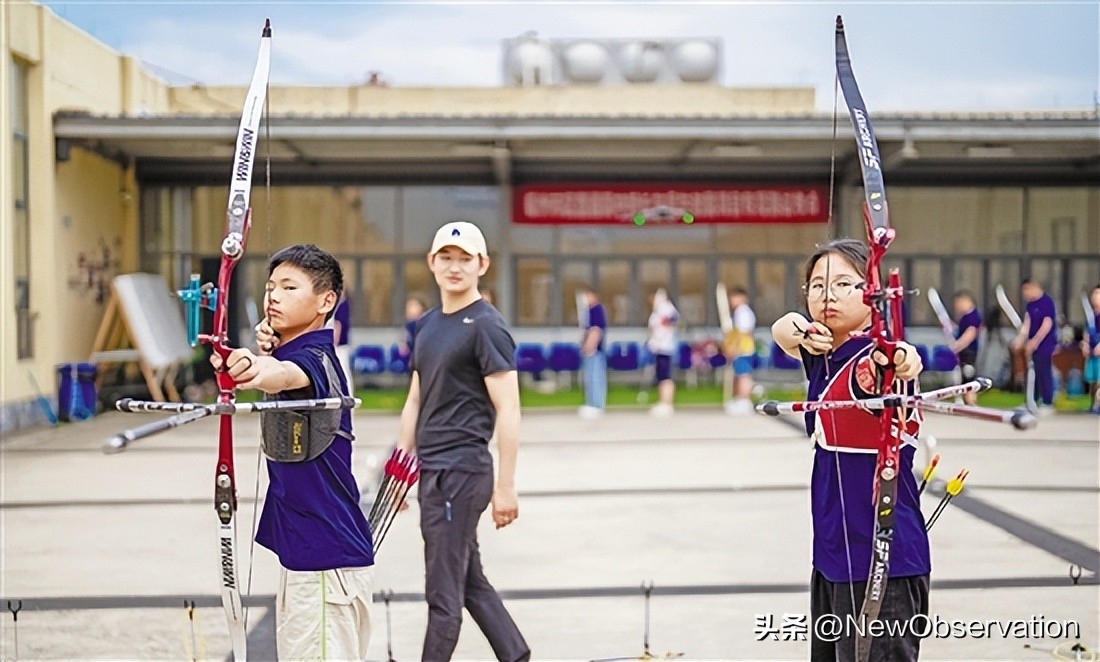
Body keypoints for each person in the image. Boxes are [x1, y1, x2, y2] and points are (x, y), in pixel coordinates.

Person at [771, 239, 926, 662]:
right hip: (834, 555)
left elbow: (891, 361)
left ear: (873, 293)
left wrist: (900, 358)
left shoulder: (868, 359)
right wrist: (794, 325)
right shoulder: (825, 352)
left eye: (843, 283)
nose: (828, 295)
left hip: (881, 564)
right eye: (817, 286)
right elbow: (783, 331)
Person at [217, 244, 375, 660]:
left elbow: (284, 376)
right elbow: (279, 364)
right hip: (310, 557)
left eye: (289, 287)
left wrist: (253, 367)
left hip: (324, 562)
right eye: (271, 287)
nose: (274, 296)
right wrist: (266, 351)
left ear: (326, 301)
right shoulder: (292, 349)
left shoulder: (315, 361)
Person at [394, 221, 529, 662]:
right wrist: (400, 468)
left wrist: (505, 486)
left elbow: (509, 407)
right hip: (433, 470)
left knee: (442, 597)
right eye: (446, 257)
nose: (455, 266)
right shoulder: (428, 325)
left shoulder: (486, 325)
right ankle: (516, 654)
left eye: (465, 258)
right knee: (469, 582)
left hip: (462, 470)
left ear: (482, 265)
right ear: (432, 263)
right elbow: (416, 397)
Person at [1011, 278, 1057, 413]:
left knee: (1044, 372)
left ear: (1033, 287)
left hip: (1044, 345)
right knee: (1032, 373)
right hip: (1031, 346)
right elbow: (1027, 323)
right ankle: (1032, 400)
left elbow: (1047, 324)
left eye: (1026, 290)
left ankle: (1048, 402)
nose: (1025, 294)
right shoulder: (1030, 305)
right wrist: (1019, 340)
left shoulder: (1046, 302)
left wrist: (1035, 341)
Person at [723, 286, 757, 416]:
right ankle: (739, 398)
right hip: (739, 349)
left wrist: (734, 347)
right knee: (738, 374)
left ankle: (745, 400)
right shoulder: (737, 313)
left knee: (744, 374)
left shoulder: (743, 312)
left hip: (743, 349)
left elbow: (743, 332)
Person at [646, 288, 679, 417]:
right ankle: (662, 401)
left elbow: (672, 319)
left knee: (665, 376)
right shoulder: (658, 310)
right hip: (658, 347)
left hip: (665, 347)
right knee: (660, 376)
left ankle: (667, 403)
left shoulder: (666, 307)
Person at [578, 285, 608, 418]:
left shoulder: (596, 309)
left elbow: (596, 330)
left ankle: (596, 404)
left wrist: (589, 346)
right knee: (590, 377)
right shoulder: (588, 310)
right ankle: (591, 402)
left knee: (595, 377)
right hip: (590, 350)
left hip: (594, 350)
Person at [951, 290, 983, 405]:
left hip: (969, 351)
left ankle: (971, 400)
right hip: (963, 352)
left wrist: (957, 346)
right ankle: (966, 400)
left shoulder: (973, 316)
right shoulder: (964, 317)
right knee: (963, 376)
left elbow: (970, 333)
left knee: (969, 375)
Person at [398, 296, 427, 373]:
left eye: (415, 306)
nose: (412, 309)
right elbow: (404, 346)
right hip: (411, 360)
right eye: (410, 306)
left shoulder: (426, 324)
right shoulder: (407, 327)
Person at [1083, 285, 1100, 414]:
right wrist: (1085, 344)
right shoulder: (1091, 315)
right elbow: (1087, 332)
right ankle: (1093, 404)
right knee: (1092, 380)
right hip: (1092, 353)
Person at [332, 292, 353, 389]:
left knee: (343, 370)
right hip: (342, 344)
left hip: (340, 345)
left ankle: (347, 392)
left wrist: (334, 343)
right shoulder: (344, 305)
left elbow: (338, 325)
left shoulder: (341, 306)